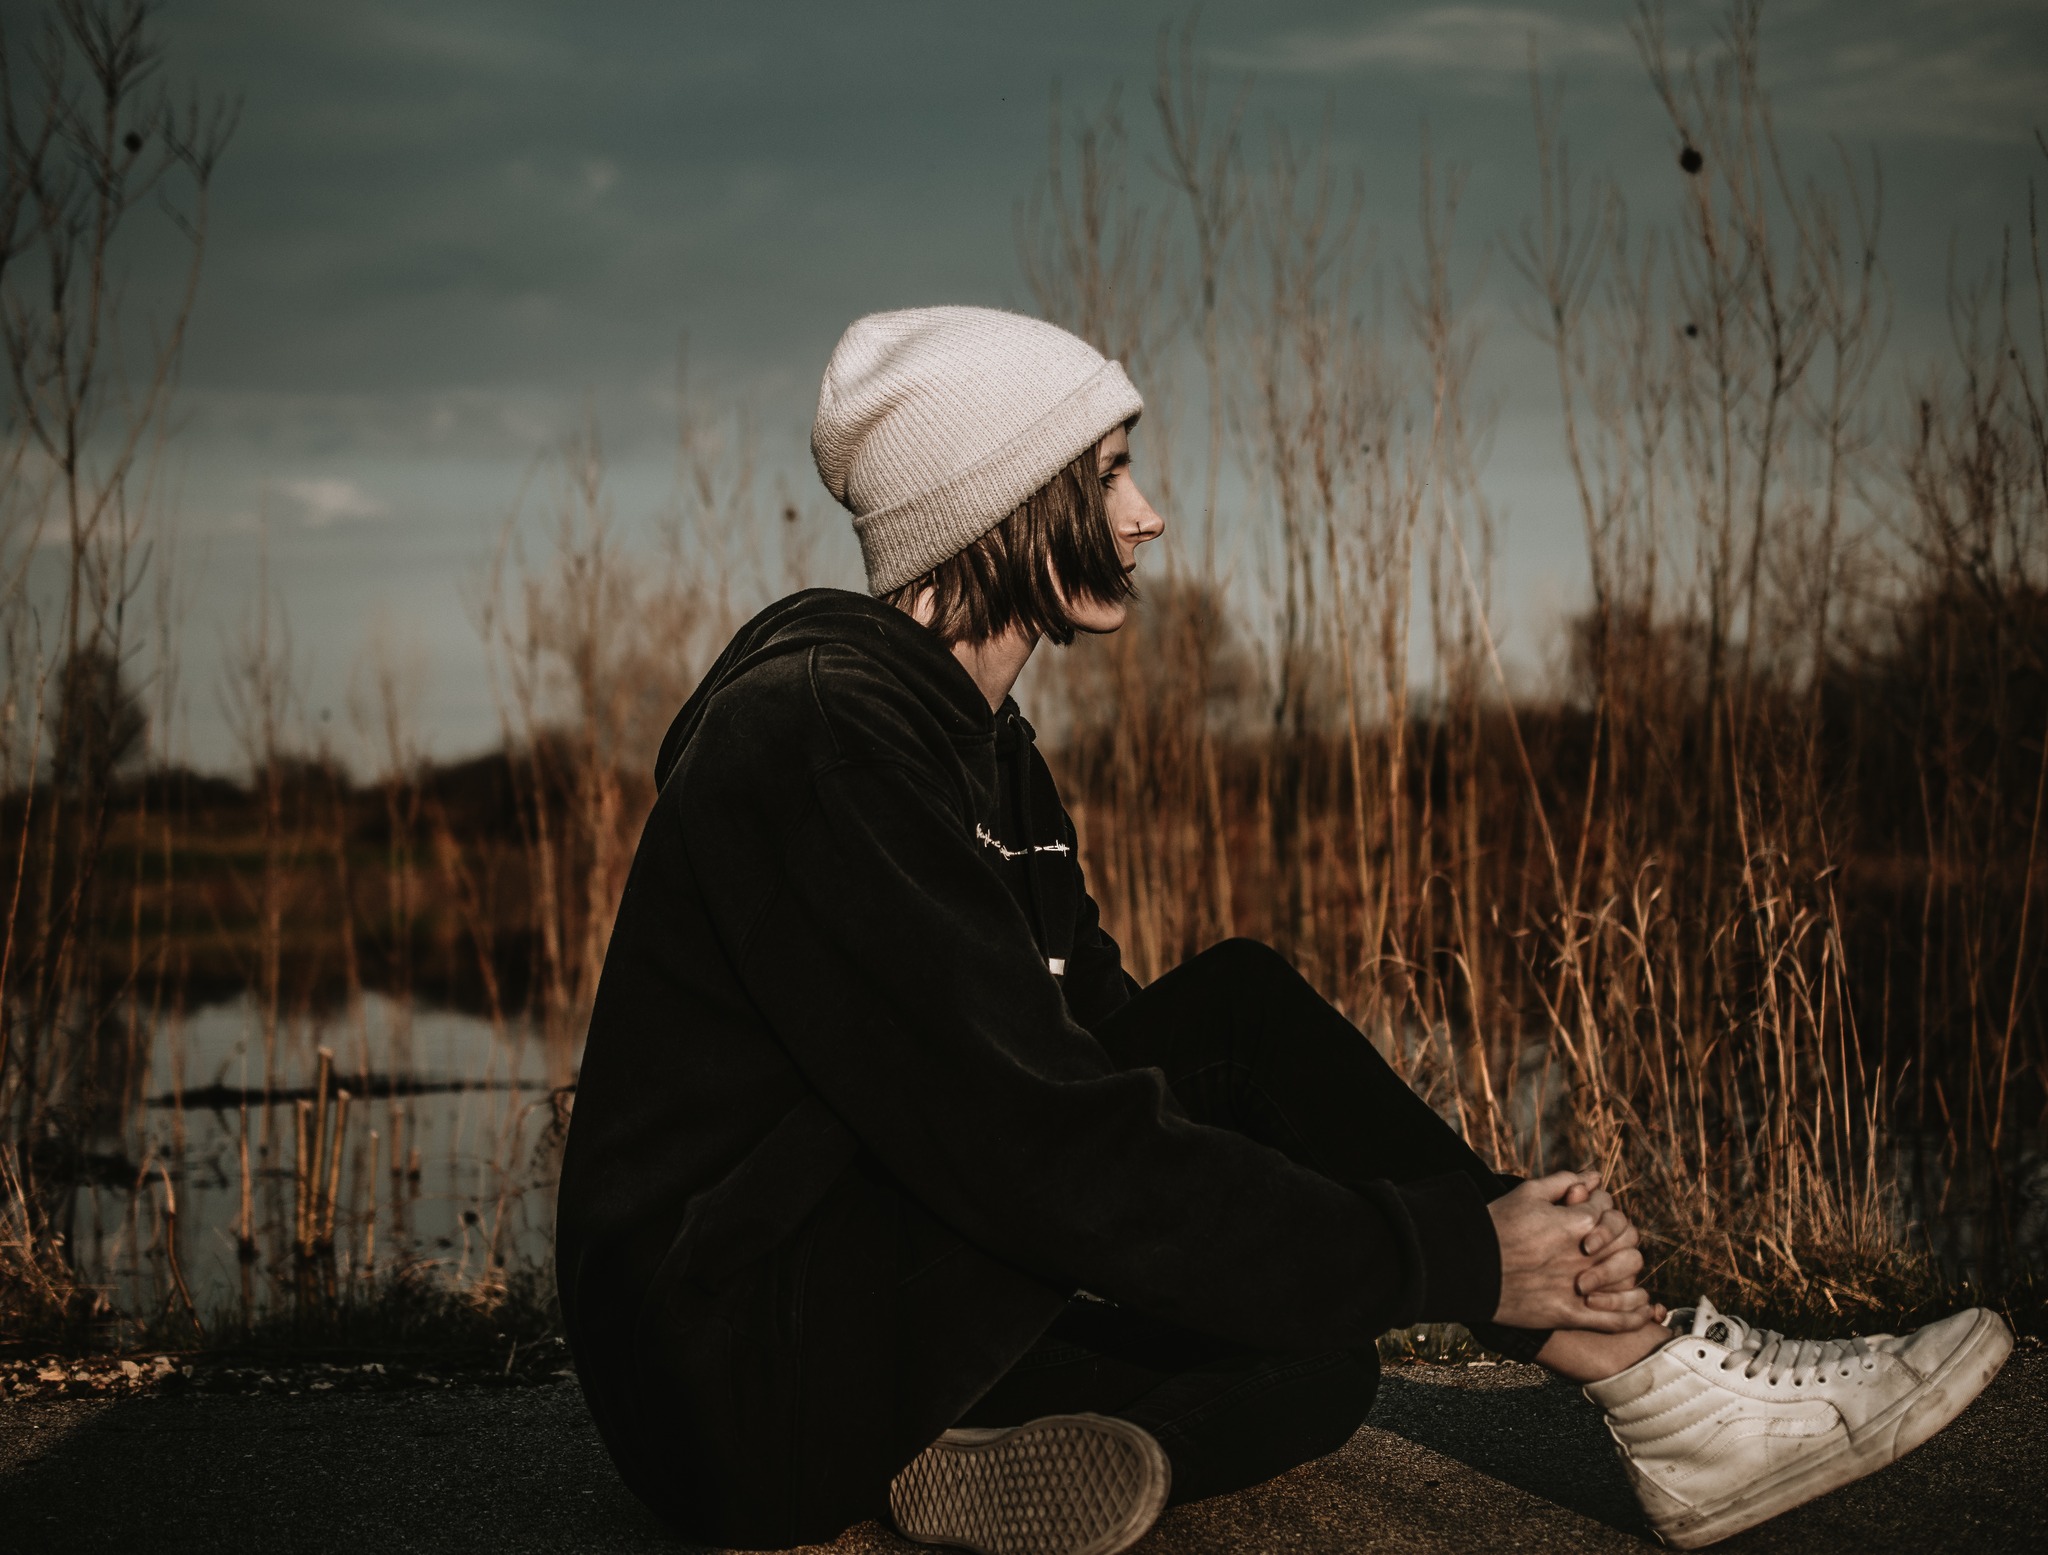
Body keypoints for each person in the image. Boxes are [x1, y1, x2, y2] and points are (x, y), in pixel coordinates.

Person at [554, 306, 2011, 1555]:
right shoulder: (817, 744)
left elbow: (1110, 1060)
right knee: (1245, 1019)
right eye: (1111, 473)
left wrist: (1415, 1252)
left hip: (862, 1312)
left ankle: (956, 1471)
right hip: (732, 1375)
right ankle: (1650, 1382)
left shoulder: (981, 748)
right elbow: (1041, 1141)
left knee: (1318, 1362)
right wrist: (1455, 1252)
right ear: (1001, 504)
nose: (1147, 514)